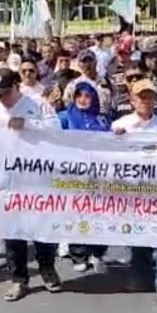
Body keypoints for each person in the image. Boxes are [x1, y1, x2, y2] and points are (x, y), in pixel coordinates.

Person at [0, 67, 62, 302]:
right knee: (13, 232)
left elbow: (56, 129)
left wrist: (27, 123)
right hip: (6, 180)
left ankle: (47, 269)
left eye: (6, 93)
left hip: (36, 178)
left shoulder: (37, 104)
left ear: (17, 86)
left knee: (42, 228)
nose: (2, 98)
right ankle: (19, 278)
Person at [111, 78, 157, 307]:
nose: (145, 101)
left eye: (149, 97)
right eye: (141, 97)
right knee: (138, 234)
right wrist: (114, 139)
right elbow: (107, 154)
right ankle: (140, 273)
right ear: (132, 100)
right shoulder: (121, 125)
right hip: (132, 190)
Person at [58, 80, 109, 273]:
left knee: (98, 212)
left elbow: (113, 142)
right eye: (79, 95)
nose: (83, 99)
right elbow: (49, 134)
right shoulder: (64, 117)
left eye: (87, 95)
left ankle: (97, 252)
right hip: (73, 173)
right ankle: (78, 254)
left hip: (98, 174)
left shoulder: (102, 120)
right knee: (76, 212)